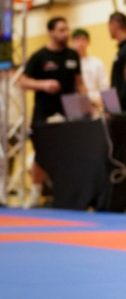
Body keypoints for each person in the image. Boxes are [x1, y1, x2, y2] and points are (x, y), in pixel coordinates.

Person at [17, 16, 86, 207]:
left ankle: (64, 192)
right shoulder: (40, 56)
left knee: (68, 153)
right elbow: (22, 81)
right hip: (44, 112)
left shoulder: (73, 55)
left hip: (68, 111)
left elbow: (79, 83)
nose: (66, 33)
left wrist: (86, 102)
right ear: (51, 32)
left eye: (67, 29)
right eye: (61, 29)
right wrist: (43, 84)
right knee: (41, 153)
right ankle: (35, 192)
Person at [70, 28, 110, 113]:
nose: (80, 43)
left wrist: (94, 100)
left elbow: (105, 87)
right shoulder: (69, 65)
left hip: (95, 105)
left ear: (88, 42)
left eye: (83, 40)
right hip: (74, 106)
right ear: (71, 42)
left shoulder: (97, 63)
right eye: (77, 40)